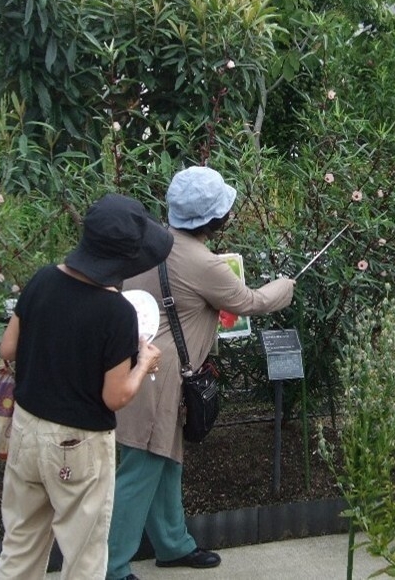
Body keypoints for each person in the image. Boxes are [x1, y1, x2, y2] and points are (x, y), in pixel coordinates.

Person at [108, 166, 296, 580]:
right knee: (140, 469)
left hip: (137, 364)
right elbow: (250, 301)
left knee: (164, 459)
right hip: (158, 374)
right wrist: (285, 284)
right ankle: (110, 566)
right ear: (213, 219)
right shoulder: (202, 263)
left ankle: (173, 545)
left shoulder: (146, 243)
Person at [0, 193, 170, 580]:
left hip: (26, 428)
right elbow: (116, 395)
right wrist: (144, 364)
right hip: (79, 444)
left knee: (20, 544)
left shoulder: (42, 279)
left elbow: (8, 347)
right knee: (83, 554)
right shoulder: (116, 312)